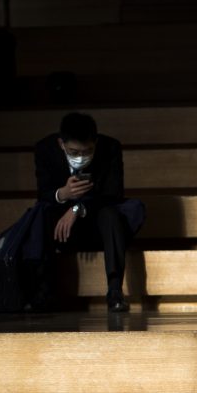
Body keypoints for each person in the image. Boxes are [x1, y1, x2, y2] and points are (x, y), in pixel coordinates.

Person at [34, 112, 142, 312]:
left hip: (100, 225)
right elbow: (44, 194)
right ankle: (43, 294)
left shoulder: (110, 148)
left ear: (96, 143)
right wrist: (63, 193)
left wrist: (78, 208)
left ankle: (115, 291)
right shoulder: (45, 149)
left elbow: (113, 193)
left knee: (111, 214)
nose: (81, 157)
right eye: (74, 152)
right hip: (62, 230)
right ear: (61, 144)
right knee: (42, 215)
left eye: (87, 151)